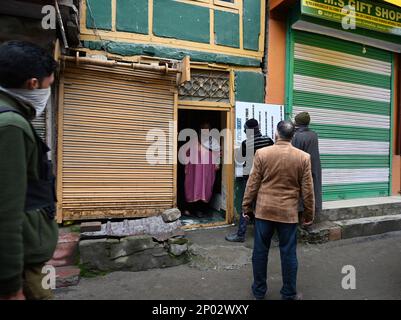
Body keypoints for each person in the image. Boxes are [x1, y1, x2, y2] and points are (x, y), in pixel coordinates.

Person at [0, 41, 59, 300]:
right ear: (33, 84)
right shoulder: (10, 125)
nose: (48, 92)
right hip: (22, 267)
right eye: (49, 85)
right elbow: (6, 212)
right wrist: (10, 286)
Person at [242, 120, 314, 300]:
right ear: (293, 135)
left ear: (276, 133)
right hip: (288, 214)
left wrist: (246, 207)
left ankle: (259, 292)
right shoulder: (303, 157)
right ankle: (288, 293)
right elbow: (308, 190)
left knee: (260, 251)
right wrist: (308, 214)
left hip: (264, 211)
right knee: (288, 253)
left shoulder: (262, 153)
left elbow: (252, 183)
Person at [225, 119, 274, 242]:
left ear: (248, 130)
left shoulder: (246, 143)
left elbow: (240, 160)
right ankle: (265, 234)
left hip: (252, 179)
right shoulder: (268, 140)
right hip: (267, 178)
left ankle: (241, 235)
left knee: (246, 206)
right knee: (263, 205)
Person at [183, 121, 220, 218]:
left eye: (207, 129)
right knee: (192, 187)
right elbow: (186, 152)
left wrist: (217, 164)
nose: (205, 131)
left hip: (207, 169)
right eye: (203, 128)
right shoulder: (194, 140)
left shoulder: (213, 141)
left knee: (205, 188)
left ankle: (200, 210)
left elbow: (217, 153)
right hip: (194, 169)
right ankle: (190, 209)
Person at [292, 112, 322, 219]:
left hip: (302, 167)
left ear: (297, 122)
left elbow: (294, 154)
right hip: (314, 166)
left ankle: (302, 216)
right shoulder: (314, 134)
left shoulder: (297, 136)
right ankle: (312, 213)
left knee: (301, 191)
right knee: (313, 189)